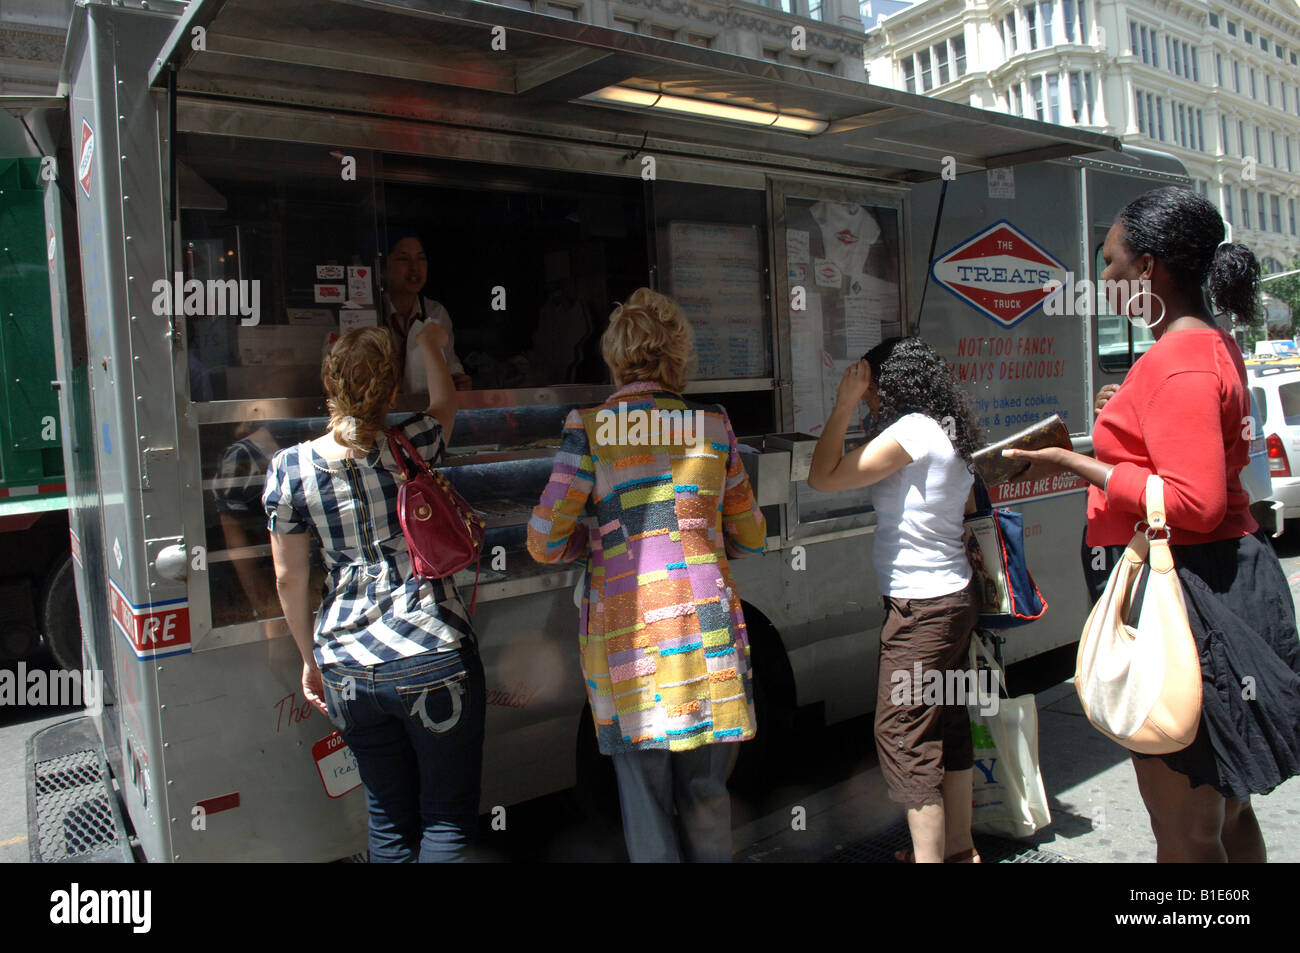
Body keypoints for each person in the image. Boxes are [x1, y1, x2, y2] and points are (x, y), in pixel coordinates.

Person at [1005, 185, 1300, 862]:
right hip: (1223, 583)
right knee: (1225, 815)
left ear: (1148, 269)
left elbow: (1190, 500)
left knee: (1185, 833)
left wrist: (1070, 461)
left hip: (1191, 601)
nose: (1102, 282)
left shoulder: (1176, 358)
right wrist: (1123, 416)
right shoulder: (1204, 342)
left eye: (1109, 265)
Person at [526, 287, 766, 862]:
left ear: (616, 356)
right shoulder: (712, 425)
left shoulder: (590, 428)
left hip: (628, 637)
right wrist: (707, 534)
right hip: (705, 634)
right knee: (707, 791)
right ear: (676, 355)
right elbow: (752, 534)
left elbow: (541, 540)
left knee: (644, 797)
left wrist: (597, 539)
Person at [262, 323, 484, 862]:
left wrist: (309, 659)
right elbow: (446, 400)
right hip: (432, 652)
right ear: (389, 392)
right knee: (446, 819)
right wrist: (430, 345)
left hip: (347, 665)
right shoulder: (415, 444)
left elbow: (289, 578)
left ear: (327, 382)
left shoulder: (288, 469)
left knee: (388, 820)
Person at [807, 336, 983, 864]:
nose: (866, 401)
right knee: (946, 720)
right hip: (953, 597)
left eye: (869, 391)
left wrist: (840, 405)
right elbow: (965, 504)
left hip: (921, 609)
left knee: (903, 732)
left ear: (890, 384)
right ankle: (959, 850)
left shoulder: (910, 431)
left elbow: (823, 477)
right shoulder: (948, 430)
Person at [382, 234, 472, 391]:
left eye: (421, 259)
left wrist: (458, 379)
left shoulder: (435, 312)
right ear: (384, 268)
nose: (414, 267)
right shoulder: (372, 311)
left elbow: (450, 363)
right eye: (404, 259)